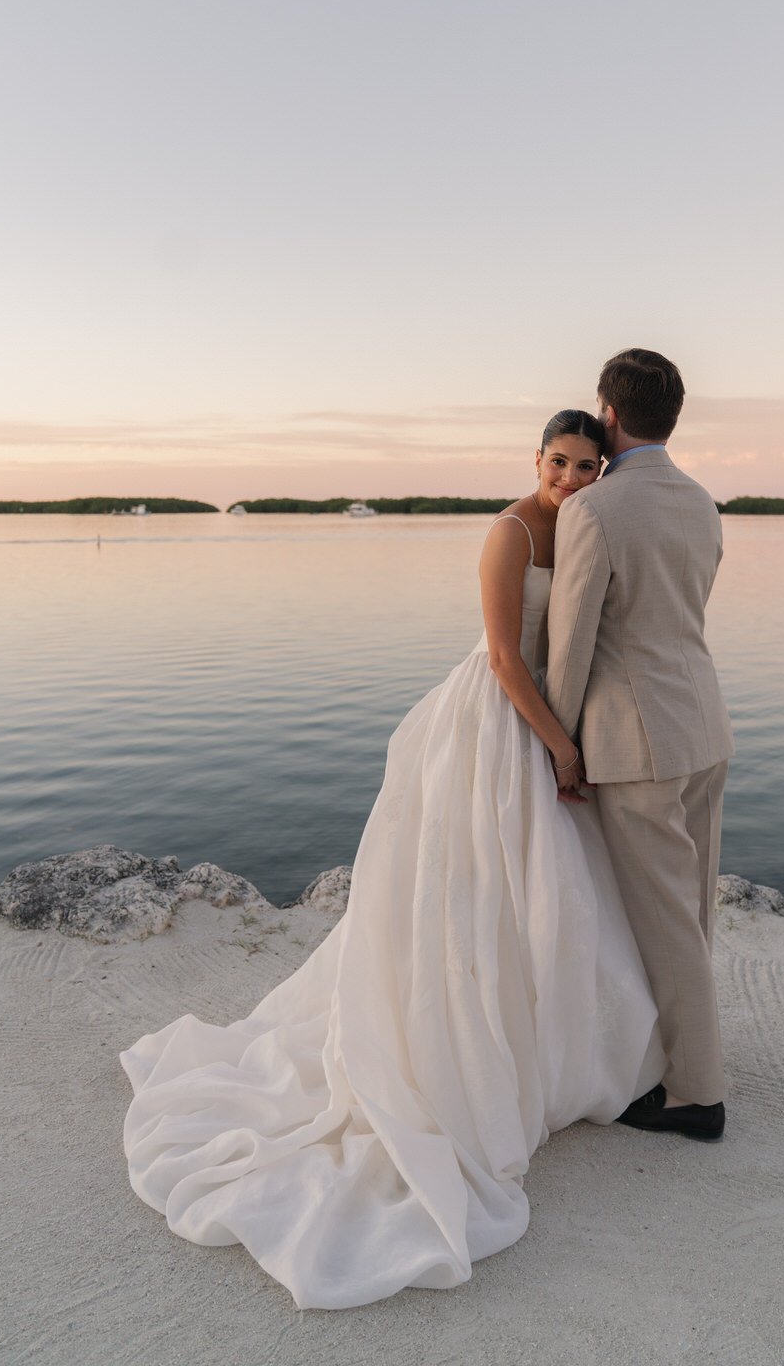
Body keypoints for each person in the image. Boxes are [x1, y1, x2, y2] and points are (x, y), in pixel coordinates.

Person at [120, 410, 663, 1309]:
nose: (570, 477)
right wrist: (560, 749)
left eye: (585, 466)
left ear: (603, 472)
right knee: (478, 890)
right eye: (558, 462)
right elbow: (500, 654)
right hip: (498, 723)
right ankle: (463, 1050)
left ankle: (553, 1043)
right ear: (535, 460)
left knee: (551, 894)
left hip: (549, 719)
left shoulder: (586, 525)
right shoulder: (510, 531)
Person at [546, 350, 735, 1141]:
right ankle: (672, 1061)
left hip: (637, 740)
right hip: (701, 723)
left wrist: (553, 742)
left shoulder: (592, 510)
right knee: (687, 913)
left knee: (665, 924)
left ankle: (697, 1095)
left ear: (608, 415)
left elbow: (571, 642)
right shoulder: (701, 502)